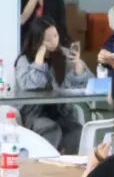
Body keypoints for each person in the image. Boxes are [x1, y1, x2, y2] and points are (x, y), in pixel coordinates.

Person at [14, 17, 90, 154]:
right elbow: (32, 84)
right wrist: (39, 60)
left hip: (61, 112)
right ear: (38, 41)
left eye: (55, 36)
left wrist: (77, 66)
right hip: (34, 114)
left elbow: (84, 84)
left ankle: (69, 163)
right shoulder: (24, 60)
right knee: (50, 128)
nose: (54, 41)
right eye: (48, 40)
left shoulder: (64, 55)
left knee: (76, 130)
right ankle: (45, 162)